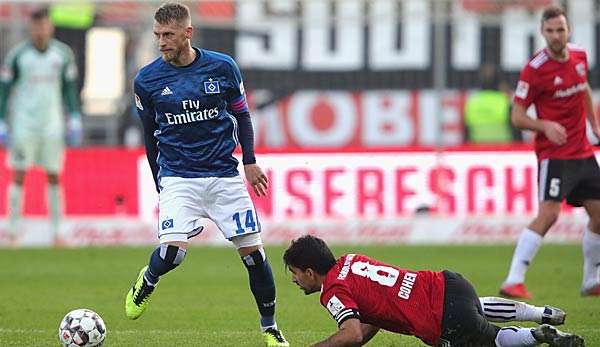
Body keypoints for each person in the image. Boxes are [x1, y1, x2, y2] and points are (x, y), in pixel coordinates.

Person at [124, 3, 288, 347]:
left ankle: (270, 328)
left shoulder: (223, 67)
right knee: (173, 253)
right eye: (157, 36)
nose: (161, 42)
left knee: (255, 256)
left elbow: (242, 116)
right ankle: (148, 280)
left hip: (224, 176)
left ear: (188, 33)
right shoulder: (147, 81)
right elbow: (149, 136)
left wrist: (250, 161)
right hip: (179, 178)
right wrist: (160, 181)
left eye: (168, 35)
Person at [283, 235, 584, 347]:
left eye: (296, 275)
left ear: (310, 272)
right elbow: (375, 314)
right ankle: (538, 312)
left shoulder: (331, 291)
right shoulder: (351, 260)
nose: (296, 281)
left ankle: (537, 335)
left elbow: (352, 334)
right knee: (475, 306)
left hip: (443, 318)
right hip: (449, 284)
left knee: (492, 339)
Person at [499, 5, 600, 299]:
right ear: (542, 33)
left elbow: (583, 90)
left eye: (560, 30)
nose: (556, 36)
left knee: (599, 214)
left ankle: (591, 281)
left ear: (568, 30)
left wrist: (594, 125)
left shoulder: (579, 57)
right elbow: (517, 116)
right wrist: (544, 125)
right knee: (549, 214)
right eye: (550, 31)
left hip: (582, 152)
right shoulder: (535, 69)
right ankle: (513, 279)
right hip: (554, 156)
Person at [0, 7, 82, 247]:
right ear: (30, 28)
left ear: (50, 27)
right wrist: (2, 119)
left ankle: (58, 233)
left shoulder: (62, 54)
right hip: (24, 122)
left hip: (52, 123)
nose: (40, 30)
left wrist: (74, 116)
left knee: (55, 175)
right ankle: (13, 233)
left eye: (44, 25)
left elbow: (69, 88)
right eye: (36, 26)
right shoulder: (17, 56)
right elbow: (5, 90)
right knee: (18, 174)